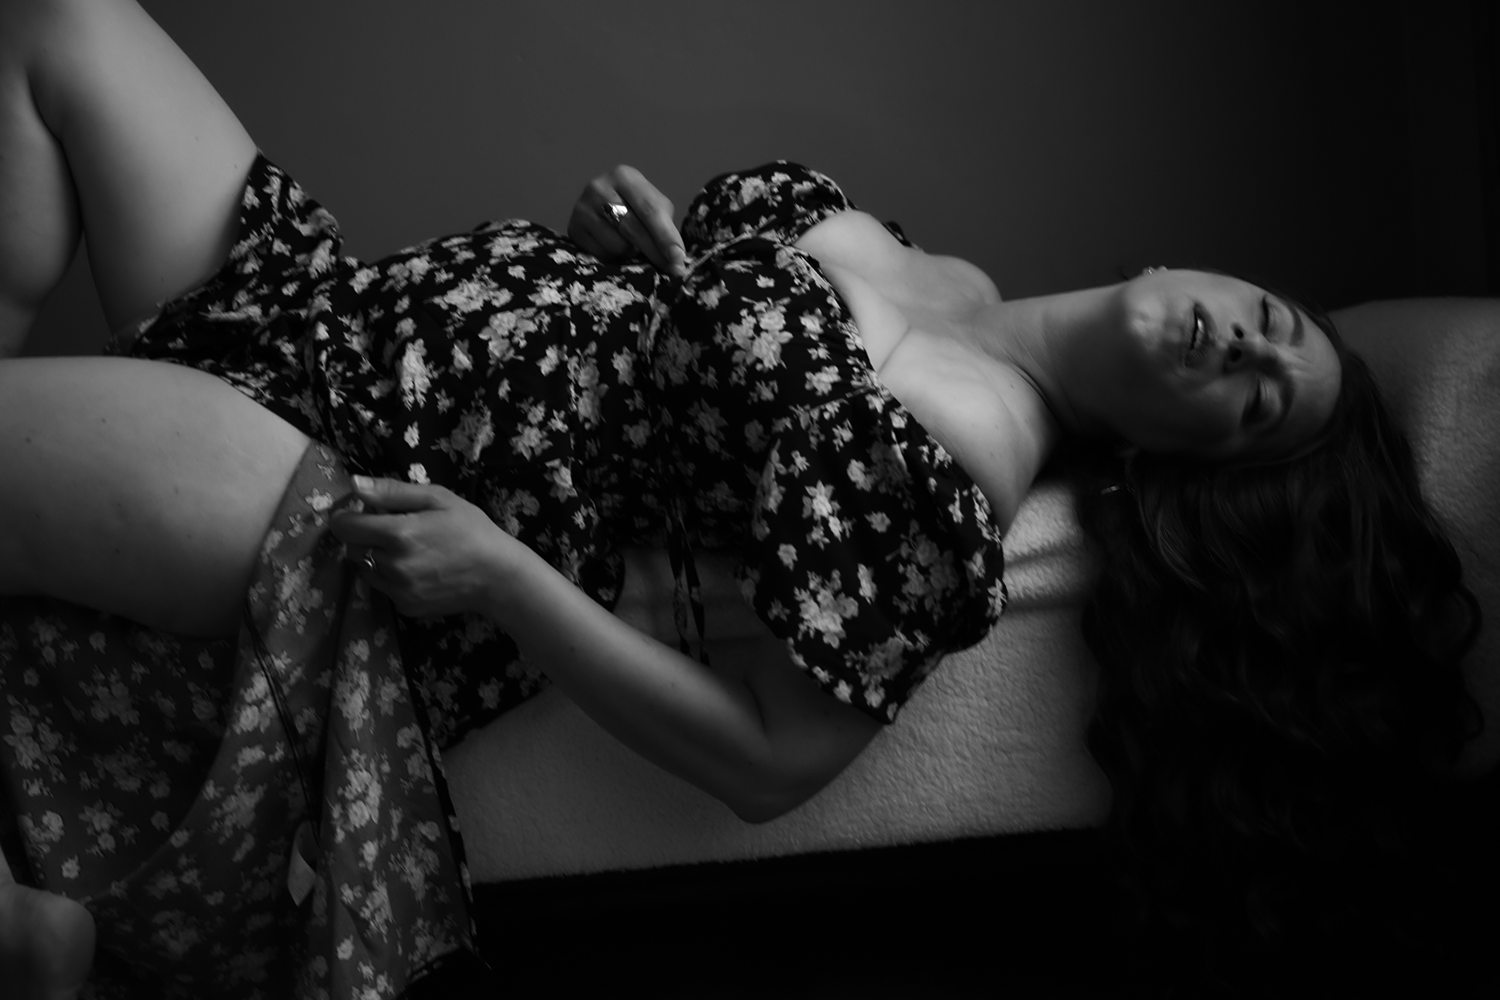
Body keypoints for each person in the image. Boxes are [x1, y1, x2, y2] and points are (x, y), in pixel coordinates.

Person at [0, 0, 1482, 997]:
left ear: (1180, 467)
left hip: (349, 480)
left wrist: (510, 578)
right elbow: (705, 387)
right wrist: (643, 265)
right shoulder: (934, 268)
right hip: (322, 316)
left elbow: (771, 761)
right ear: (1208, 270)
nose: (1243, 347)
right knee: (61, 21)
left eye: (1255, 403)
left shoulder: (961, 481)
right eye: (1269, 321)